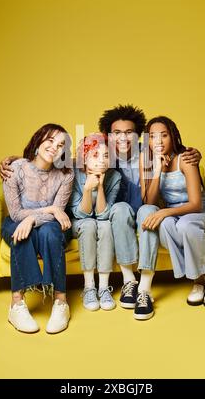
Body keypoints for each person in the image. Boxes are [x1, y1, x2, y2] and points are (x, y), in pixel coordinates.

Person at [98, 105, 202, 311]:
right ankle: (129, 281)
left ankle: (145, 288)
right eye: (116, 133)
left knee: (148, 210)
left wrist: (195, 153)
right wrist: (17, 160)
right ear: (108, 136)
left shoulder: (149, 153)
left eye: (129, 133)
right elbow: (69, 163)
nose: (122, 138)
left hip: (147, 209)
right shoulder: (101, 156)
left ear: (138, 135)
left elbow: (173, 150)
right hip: (121, 214)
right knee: (119, 208)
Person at [136, 116, 205, 320]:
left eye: (164, 135)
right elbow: (149, 201)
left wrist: (165, 211)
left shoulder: (185, 159)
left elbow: (196, 204)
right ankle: (198, 279)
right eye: (153, 137)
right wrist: (157, 170)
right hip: (174, 215)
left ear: (172, 137)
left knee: (184, 225)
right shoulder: (147, 161)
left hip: (200, 213)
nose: (158, 141)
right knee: (164, 224)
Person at [1, 123, 74, 333]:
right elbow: (15, 214)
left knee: (51, 232)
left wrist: (32, 219)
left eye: (61, 145)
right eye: (50, 140)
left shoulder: (66, 175)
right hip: (16, 223)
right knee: (22, 234)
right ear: (39, 140)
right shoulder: (15, 168)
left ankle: (61, 302)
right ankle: (16, 304)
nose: (54, 147)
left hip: (51, 226)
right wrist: (47, 210)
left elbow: (59, 214)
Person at [67, 133, 121, 311]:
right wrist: (87, 189)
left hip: (100, 220)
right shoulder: (73, 173)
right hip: (79, 222)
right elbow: (80, 214)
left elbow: (104, 214)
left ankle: (104, 287)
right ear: (84, 157)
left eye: (106, 156)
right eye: (96, 155)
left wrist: (99, 186)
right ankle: (89, 286)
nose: (102, 161)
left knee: (105, 225)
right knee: (89, 224)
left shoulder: (114, 176)